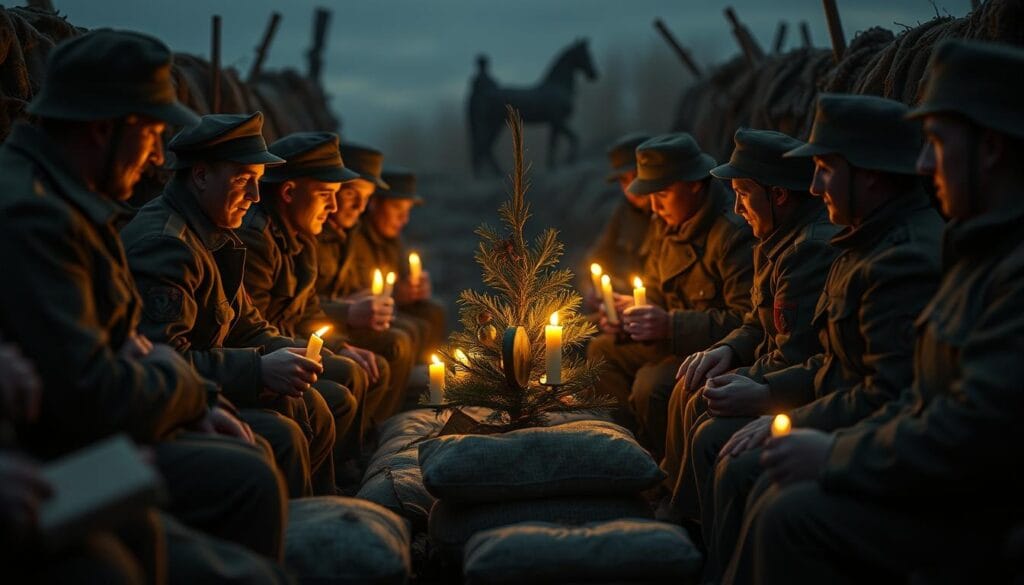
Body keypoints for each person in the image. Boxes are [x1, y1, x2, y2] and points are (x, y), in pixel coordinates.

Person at [722, 38, 1024, 585]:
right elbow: (918, 396)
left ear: (992, 149)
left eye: (936, 141)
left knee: (787, 514)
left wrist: (834, 452)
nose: (924, 161)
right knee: (774, 492)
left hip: (980, 519)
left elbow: (971, 431)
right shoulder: (976, 249)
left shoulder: (972, 262)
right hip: (942, 486)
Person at [0, 29, 289, 571]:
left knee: (249, 463)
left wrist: (198, 400)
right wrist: (184, 387)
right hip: (62, 453)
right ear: (104, 127)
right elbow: (95, 391)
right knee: (246, 482)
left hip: (89, 431)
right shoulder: (36, 217)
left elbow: (122, 340)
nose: (159, 155)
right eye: (152, 132)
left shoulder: (68, 195)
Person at [120, 112, 348, 495]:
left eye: (258, 182)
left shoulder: (214, 231)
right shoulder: (167, 244)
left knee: (315, 406)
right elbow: (163, 360)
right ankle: (292, 536)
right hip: (165, 408)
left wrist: (289, 352)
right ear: (201, 175)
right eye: (244, 180)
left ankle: (321, 516)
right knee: (281, 435)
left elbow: (246, 324)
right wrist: (258, 369)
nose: (256, 197)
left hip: (206, 386)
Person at [658, 128, 840, 528]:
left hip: (799, 388)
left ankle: (690, 532)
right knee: (694, 384)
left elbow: (793, 351)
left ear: (777, 194)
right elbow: (757, 322)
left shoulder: (806, 248)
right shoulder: (777, 236)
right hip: (778, 374)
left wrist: (752, 382)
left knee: (708, 423)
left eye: (742, 193)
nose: (737, 208)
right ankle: (679, 514)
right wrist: (729, 351)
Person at [587, 133, 755, 455]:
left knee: (652, 385)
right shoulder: (669, 222)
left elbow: (746, 320)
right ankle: (623, 450)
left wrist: (669, 324)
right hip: (672, 340)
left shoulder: (731, 234)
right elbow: (654, 285)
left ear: (694, 183)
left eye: (662, 193)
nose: (653, 206)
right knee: (601, 351)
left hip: (711, 351)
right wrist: (632, 313)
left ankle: (662, 469)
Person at [238, 131, 403, 454]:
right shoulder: (258, 240)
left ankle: (359, 454)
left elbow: (307, 309)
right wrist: (333, 348)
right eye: (326, 194)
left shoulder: (299, 235)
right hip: (269, 355)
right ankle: (342, 471)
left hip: (288, 345)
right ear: (288, 192)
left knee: (362, 365)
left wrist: (342, 345)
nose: (333, 206)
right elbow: (252, 328)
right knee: (347, 380)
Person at [348, 166, 447, 364]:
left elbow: (403, 278)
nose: (404, 219)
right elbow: (352, 293)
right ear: (374, 203)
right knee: (409, 330)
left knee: (435, 310)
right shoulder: (356, 238)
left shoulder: (394, 239)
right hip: (359, 315)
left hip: (389, 307)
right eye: (397, 209)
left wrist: (417, 288)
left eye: (408, 210)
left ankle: (429, 372)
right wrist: (395, 295)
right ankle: (410, 383)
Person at [583, 131, 654, 302]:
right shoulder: (624, 211)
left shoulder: (669, 215)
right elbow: (597, 255)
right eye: (623, 180)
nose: (631, 188)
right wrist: (593, 288)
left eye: (636, 177)